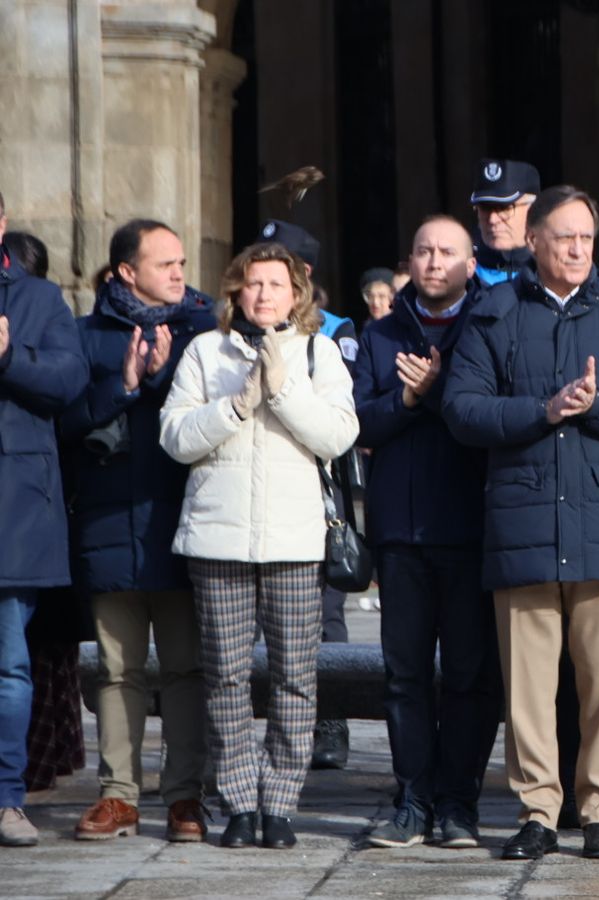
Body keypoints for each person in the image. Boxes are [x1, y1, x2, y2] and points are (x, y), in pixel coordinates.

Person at [444, 185, 599, 862]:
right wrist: (542, 411)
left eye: (586, 238)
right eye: (564, 237)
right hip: (522, 523)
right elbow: (462, 409)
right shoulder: (495, 311)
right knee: (528, 688)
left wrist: (596, 405)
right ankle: (538, 812)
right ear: (534, 242)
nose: (577, 249)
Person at [158, 241, 359, 850]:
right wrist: (237, 403)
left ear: (297, 293)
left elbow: (338, 434)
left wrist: (281, 389)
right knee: (224, 675)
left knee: (296, 676)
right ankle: (240, 802)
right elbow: (175, 436)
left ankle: (281, 804)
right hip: (218, 539)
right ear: (236, 291)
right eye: (254, 283)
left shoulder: (320, 353)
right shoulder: (203, 351)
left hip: (295, 541)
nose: (265, 293)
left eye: (277, 284)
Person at [58, 220, 215, 843]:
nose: (180, 273)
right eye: (165, 264)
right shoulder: (84, 335)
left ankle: (184, 797)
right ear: (127, 271)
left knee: (184, 668)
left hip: (183, 524)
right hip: (107, 523)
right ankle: (118, 795)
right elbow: (64, 420)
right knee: (116, 671)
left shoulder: (203, 331)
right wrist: (122, 385)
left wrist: (159, 373)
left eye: (181, 262)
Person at [353, 216, 501, 850]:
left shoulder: (490, 327)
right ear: (408, 261)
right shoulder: (381, 333)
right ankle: (411, 798)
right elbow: (359, 422)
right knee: (405, 674)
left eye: (448, 252)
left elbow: (490, 419)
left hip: (471, 528)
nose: (434, 261)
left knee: (470, 674)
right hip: (402, 531)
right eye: (424, 251)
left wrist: (438, 394)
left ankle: (458, 802)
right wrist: (406, 403)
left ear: (471, 264)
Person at [0, 188, 91, 847]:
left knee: (9, 666)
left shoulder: (37, 299)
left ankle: (5, 799)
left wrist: (7, 358)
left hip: (14, 514)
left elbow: (68, 382)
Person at [258, 218, 356, 768]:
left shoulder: (334, 333)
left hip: (317, 491)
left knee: (326, 613)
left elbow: (341, 419)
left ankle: (332, 721)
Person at [471, 158, 540, 287]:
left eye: (505, 208)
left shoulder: (555, 273)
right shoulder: (458, 272)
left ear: (533, 210)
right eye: (485, 208)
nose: (493, 220)